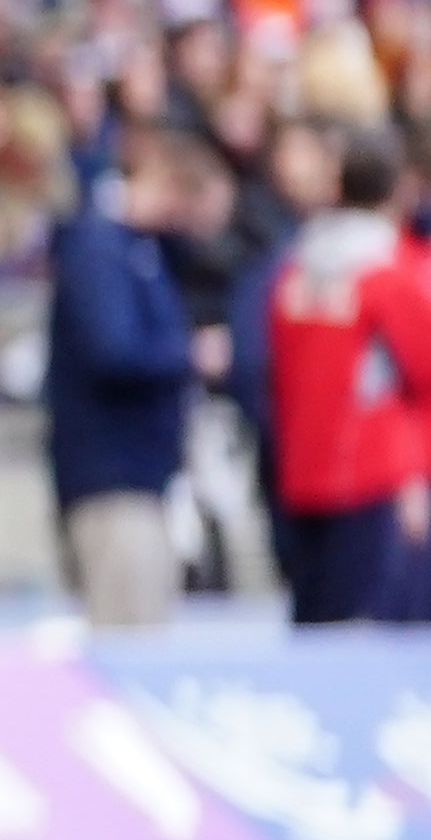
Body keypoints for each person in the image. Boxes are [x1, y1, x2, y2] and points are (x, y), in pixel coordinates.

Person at [44, 121, 227, 632]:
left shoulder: (139, 249)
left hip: (142, 477)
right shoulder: (99, 247)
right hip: (112, 480)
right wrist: (191, 355)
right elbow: (113, 351)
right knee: (128, 635)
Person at [252, 129, 431, 625]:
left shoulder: (294, 265)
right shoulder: (391, 269)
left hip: (303, 469)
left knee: (317, 624)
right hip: (373, 473)